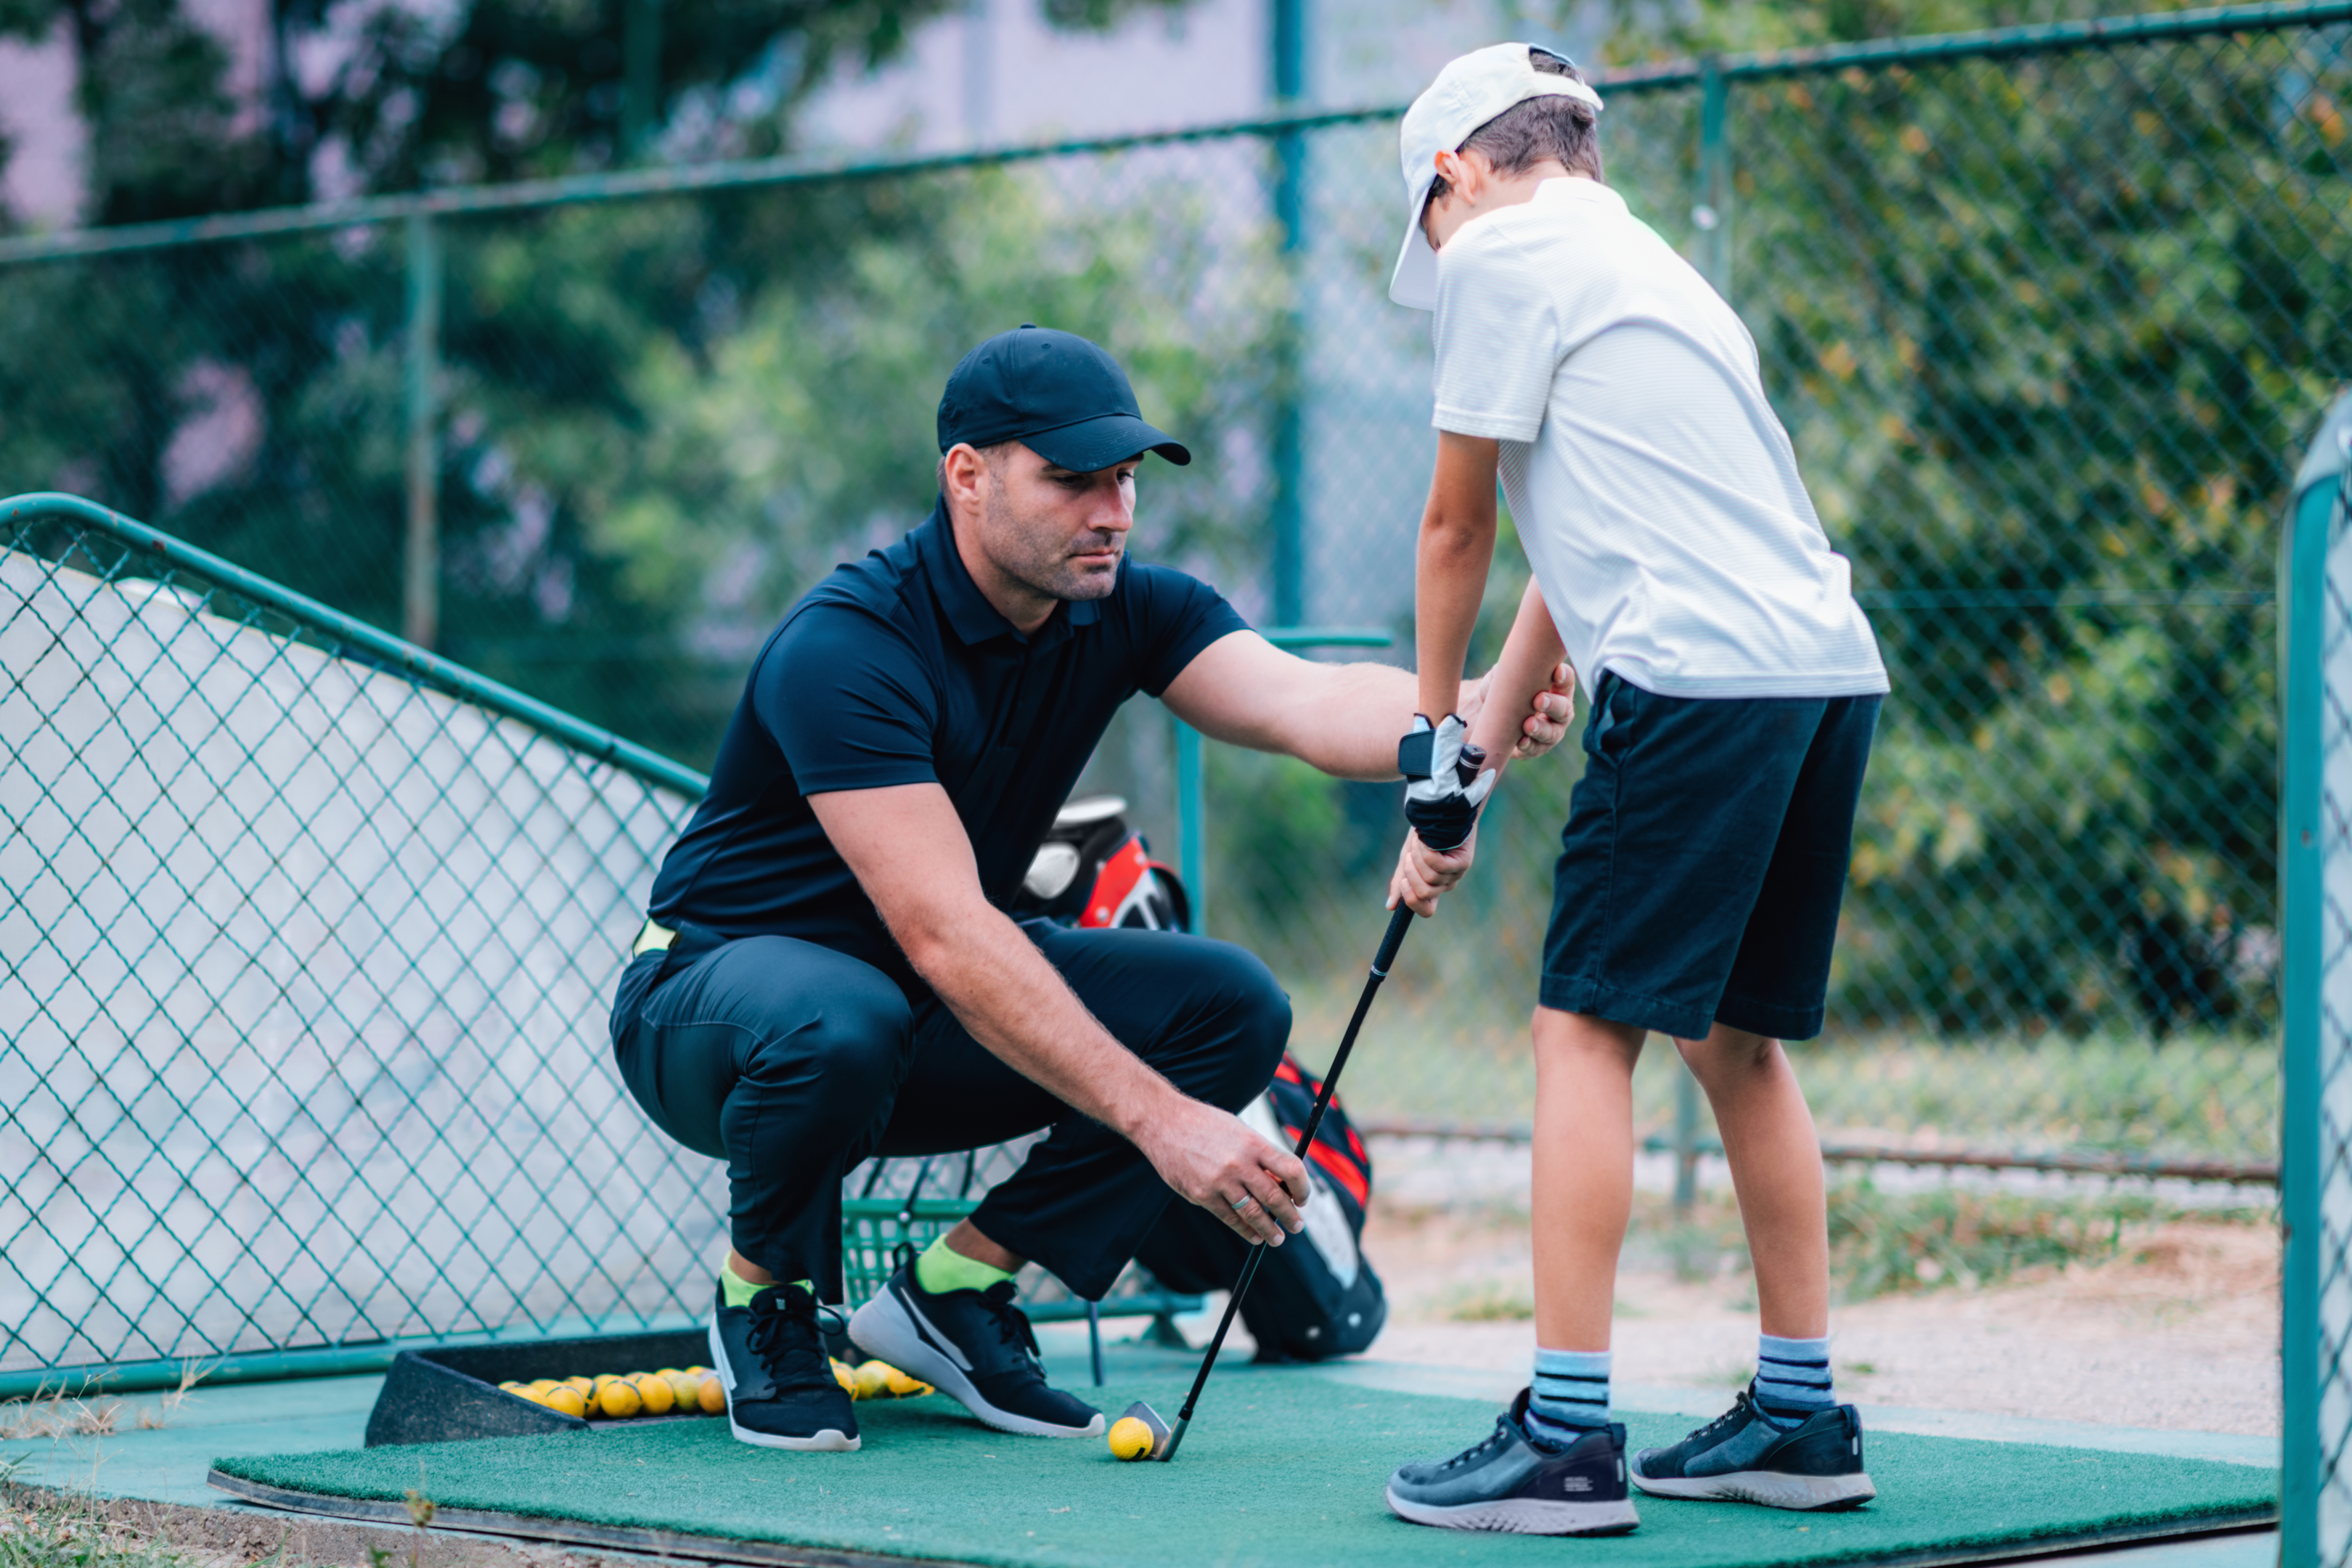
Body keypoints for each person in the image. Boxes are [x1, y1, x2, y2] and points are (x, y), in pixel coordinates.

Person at [607, 324, 1577, 1454]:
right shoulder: (848, 646)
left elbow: (1307, 706)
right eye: (1072, 479)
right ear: (967, 478)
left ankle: (954, 1294)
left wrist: (1460, 709)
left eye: (1123, 478)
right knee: (844, 1016)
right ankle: (760, 1299)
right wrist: (1167, 1128)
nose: (1112, 509)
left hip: (909, 1014)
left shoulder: (1122, 606)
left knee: (1230, 1005)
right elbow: (947, 935)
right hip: (710, 1011)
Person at [1373, 45, 1890, 1535]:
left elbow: (1455, 525)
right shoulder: (1650, 266)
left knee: (1580, 1034)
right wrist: (1475, 749)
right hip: (1819, 672)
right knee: (1736, 1043)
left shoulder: (1499, 261)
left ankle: (1565, 1438)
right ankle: (1799, 1415)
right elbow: (1564, 532)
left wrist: (1422, 751)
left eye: (1428, 225)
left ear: (1455, 174)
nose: (1437, 256)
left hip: (1698, 676)